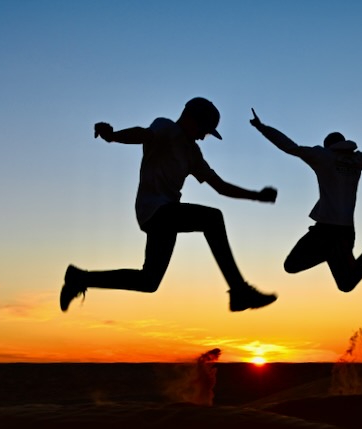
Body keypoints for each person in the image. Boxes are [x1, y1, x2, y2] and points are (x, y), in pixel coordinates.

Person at [60, 97, 278, 313]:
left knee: (149, 282)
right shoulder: (166, 128)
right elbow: (143, 134)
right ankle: (239, 291)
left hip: (167, 217)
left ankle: (79, 278)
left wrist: (256, 196)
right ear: (191, 119)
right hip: (155, 211)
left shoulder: (193, 153)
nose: (204, 137)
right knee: (212, 219)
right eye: (204, 130)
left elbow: (219, 186)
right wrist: (114, 136)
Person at [250, 109, 362, 292]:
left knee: (292, 265)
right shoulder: (358, 160)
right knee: (346, 284)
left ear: (327, 146)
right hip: (346, 230)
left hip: (325, 231)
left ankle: (334, 250)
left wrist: (262, 128)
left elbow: (290, 147)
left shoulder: (323, 156)